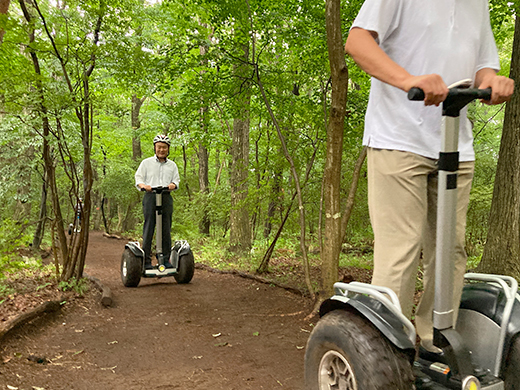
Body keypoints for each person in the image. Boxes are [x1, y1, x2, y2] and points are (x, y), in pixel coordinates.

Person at [344, 0, 514, 352]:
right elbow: (358, 41)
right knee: (401, 250)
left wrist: (492, 82)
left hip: (455, 143)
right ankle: (388, 353)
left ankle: (436, 346)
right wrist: (409, 80)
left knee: (450, 251)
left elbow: (483, 65)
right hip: (397, 139)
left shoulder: (476, 4)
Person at [135, 134, 180, 269]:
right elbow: (138, 179)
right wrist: (143, 186)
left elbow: (176, 180)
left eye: (164, 147)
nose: (161, 150)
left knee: (166, 227)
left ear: (168, 149)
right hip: (150, 196)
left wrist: (173, 185)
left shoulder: (172, 165)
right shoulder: (146, 163)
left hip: (166, 196)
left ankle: (165, 259)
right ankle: (146, 260)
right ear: (155, 148)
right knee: (149, 227)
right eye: (159, 147)